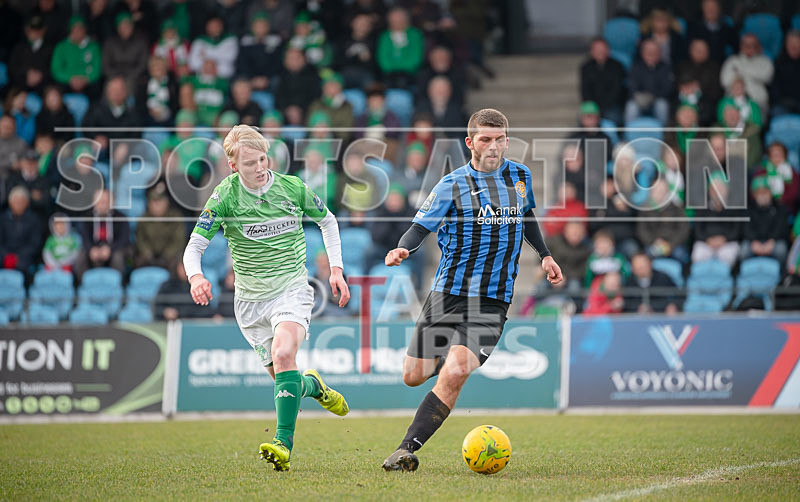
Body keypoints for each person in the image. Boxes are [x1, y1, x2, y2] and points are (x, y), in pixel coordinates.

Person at [380, 109, 562, 472]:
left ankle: (405, 449)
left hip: (492, 299)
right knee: (413, 375)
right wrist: (403, 248)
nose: (493, 146)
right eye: (485, 139)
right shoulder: (452, 184)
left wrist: (545, 255)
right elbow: (419, 227)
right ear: (470, 143)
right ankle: (450, 359)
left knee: (457, 370)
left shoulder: (520, 177)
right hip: (449, 292)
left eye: (499, 139)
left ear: (507, 141)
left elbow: (526, 218)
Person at [182, 125, 351, 472]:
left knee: (284, 352)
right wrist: (196, 276)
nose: (260, 168)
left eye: (262, 159)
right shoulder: (224, 197)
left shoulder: (291, 187)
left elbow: (328, 221)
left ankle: (282, 444)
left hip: (291, 288)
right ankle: (313, 386)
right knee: (285, 379)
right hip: (249, 303)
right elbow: (195, 246)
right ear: (233, 167)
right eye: (249, 163)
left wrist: (336, 270)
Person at [579, 37, 627, 125]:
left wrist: (603, 107)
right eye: (597, 49)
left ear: (608, 50)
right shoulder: (586, 67)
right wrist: (594, 108)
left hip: (612, 105)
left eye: (603, 49)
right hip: (593, 106)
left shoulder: (617, 66)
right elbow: (585, 90)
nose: (600, 52)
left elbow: (617, 90)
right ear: (592, 51)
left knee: (614, 117)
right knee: (584, 119)